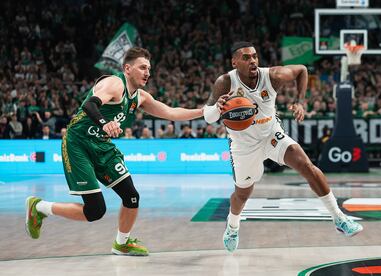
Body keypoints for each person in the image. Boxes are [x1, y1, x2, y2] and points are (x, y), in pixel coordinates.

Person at [25, 47, 203, 256]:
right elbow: (90, 105)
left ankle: (122, 243)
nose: (147, 72)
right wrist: (104, 122)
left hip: (101, 145)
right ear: (127, 68)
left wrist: (205, 111)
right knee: (95, 211)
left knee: (131, 196)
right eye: (142, 67)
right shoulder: (115, 84)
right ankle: (39, 207)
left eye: (149, 68)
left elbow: (171, 112)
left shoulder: (140, 97)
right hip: (78, 142)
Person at [203, 41, 363, 253]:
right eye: (246, 57)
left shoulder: (272, 76)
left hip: (271, 134)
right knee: (242, 194)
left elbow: (302, 70)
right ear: (234, 62)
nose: (252, 60)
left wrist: (299, 101)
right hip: (243, 145)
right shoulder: (225, 82)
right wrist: (218, 107)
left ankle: (339, 218)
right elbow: (207, 116)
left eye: (254, 56)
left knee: (307, 167)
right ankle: (233, 226)